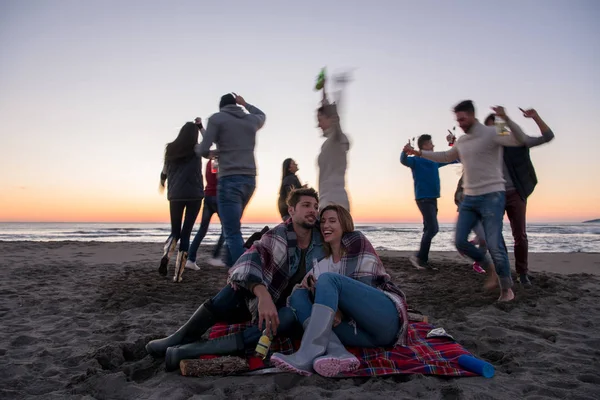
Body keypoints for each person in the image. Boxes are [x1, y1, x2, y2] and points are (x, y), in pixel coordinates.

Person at [145, 188, 324, 371]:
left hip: (290, 309)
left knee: (286, 317)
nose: (313, 210)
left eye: (316, 207)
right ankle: (180, 337)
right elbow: (248, 260)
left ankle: (190, 350)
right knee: (234, 289)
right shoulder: (277, 235)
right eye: (306, 205)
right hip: (261, 302)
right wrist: (262, 295)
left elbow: (346, 242)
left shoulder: (323, 240)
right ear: (292, 210)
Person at [404, 100, 531, 302]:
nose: (460, 123)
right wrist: (419, 153)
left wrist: (505, 119)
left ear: (472, 116)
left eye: (463, 119)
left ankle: (507, 289)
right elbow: (446, 156)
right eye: (457, 120)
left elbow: (519, 139)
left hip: (492, 195)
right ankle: (488, 266)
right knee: (460, 241)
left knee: (495, 244)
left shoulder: (492, 133)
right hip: (469, 198)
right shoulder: (462, 141)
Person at [270, 204, 409, 377]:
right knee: (298, 294)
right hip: (362, 336)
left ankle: (307, 353)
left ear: (344, 224)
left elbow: (368, 285)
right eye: (323, 222)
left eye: (332, 221)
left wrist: (340, 310)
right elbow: (301, 294)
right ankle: (338, 352)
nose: (325, 225)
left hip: (384, 321)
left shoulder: (357, 241)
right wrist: (309, 290)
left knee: (328, 280)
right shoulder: (321, 263)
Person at [485, 110, 554, 285]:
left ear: (502, 128)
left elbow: (548, 136)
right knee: (494, 236)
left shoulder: (517, 142)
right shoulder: (486, 150)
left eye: (495, 128)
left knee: (520, 235)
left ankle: (522, 273)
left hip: (516, 192)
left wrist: (536, 117)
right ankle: (504, 273)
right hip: (494, 195)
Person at [196, 93, 266, 267]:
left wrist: (205, 152)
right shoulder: (251, 120)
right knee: (234, 226)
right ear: (237, 104)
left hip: (229, 180)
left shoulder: (217, 119)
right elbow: (262, 115)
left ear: (221, 106)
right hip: (250, 180)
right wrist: (245, 103)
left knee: (232, 231)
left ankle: (245, 272)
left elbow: (204, 148)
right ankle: (230, 263)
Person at [400, 134, 458, 270]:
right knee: (433, 228)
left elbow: (454, 159)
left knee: (428, 228)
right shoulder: (416, 160)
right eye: (431, 144)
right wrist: (405, 151)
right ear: (424, 146)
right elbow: (403, 160)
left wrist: (452, 144)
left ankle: (422, 260)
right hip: (423, 198)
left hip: (433, 199)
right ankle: (419, 257)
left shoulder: (434, 160)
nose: (433, 146)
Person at [158, 121, 204, 282]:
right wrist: (201, 127)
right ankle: (177, 275)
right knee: (186, 233)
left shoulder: (170, 148)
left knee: (175, 231)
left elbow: (164, 171)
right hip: (194, 195)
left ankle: (166, 255)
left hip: (176, 195)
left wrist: (162, 183)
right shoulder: (197, 149)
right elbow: (209, 144)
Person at [316, 75, 351, 211]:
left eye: (320, 120)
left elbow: (334, 115)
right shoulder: (327, 145)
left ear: (330, 119)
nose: (318, 124)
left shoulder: (337, 140)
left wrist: (324, 90)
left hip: (335, 200)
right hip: (325, 198)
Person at [186, 156, 226, 270]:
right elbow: (217, 176)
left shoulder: (211, 161)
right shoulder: (216, 160)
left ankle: (191, 259)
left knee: (202, 229)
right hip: (216, 197)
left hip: (208, 196)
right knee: (226, 229)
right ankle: (215, 256)